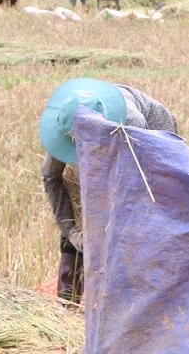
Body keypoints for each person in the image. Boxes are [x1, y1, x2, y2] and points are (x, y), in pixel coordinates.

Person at [40, 79, 178, 303]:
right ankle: (67, 304)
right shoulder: (64, 127)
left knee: (139, 227)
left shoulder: (132, 124)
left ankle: (137, 300)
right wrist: (72, 232)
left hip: (152, 144)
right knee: (80, 208)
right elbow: (51, 176)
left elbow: (135, 187)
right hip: (114, 145)